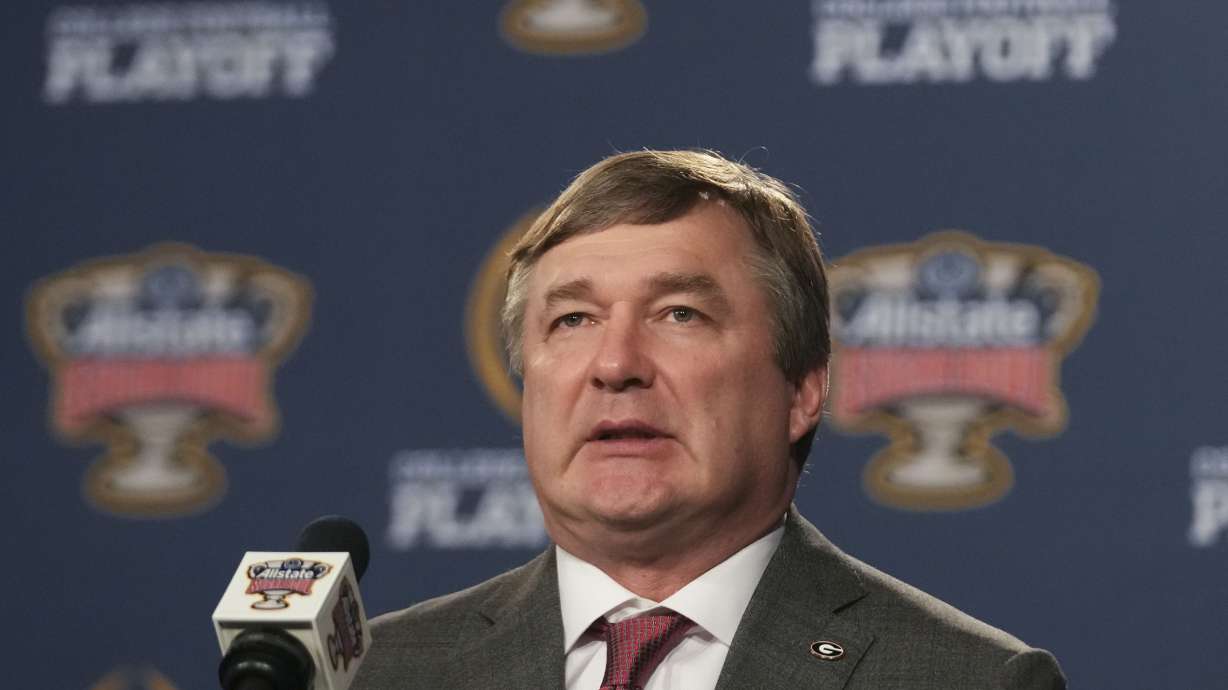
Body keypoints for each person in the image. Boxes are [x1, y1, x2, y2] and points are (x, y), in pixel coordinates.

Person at [353, 150, 1066, 689]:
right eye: (574, 319)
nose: (615, 363)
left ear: (802, 391)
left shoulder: (966, 679)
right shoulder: (374, 673)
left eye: (679, 315)